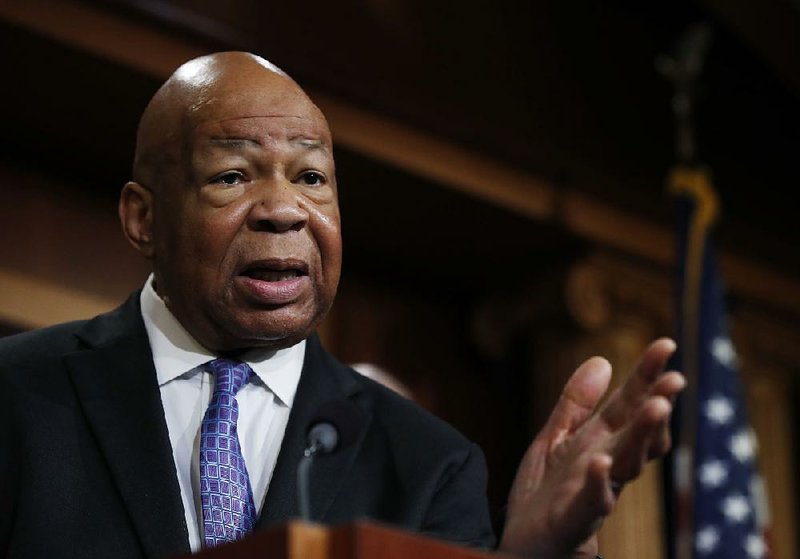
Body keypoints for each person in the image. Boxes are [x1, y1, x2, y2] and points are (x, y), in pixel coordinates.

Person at [0, 51, 685, 559]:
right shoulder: (17, 393)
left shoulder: (428, 464)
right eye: (233, 175)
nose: (283, 209)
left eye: (311, 177)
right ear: (143, 219)